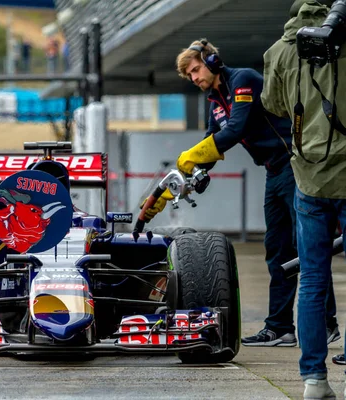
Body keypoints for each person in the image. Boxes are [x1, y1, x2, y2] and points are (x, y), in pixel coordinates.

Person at [144, 38, 340, 348]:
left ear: (211, 61)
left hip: (295, 166)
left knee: (307, 246)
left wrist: (192, 155)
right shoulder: (216, 101)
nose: (195, 79)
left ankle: (327, 324)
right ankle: (279, 328)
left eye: (196, 70)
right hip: (274, 173)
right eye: (190, 76)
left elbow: (235, 130)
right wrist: (173, 187)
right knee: (277, 251)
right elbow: (210, 144)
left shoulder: (243, 80)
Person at [261, 0, 346, 398]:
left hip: (308, 178)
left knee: (312, 278)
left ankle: (314, 380)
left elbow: (274, 104)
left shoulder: (278, 51)